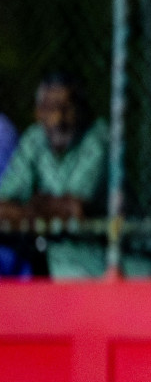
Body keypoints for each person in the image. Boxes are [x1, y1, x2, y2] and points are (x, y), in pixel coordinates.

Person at [0, 73, 108, 278]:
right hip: (55, 256)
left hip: (105, 252)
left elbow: (73, 208)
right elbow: (3, 205)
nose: (58, 119)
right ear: (38, 112)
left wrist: (30, 206)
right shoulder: (35, 138)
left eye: (66, 109)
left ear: (81, 110)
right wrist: (39, 208)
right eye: (50, 109)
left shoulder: (98, 138)